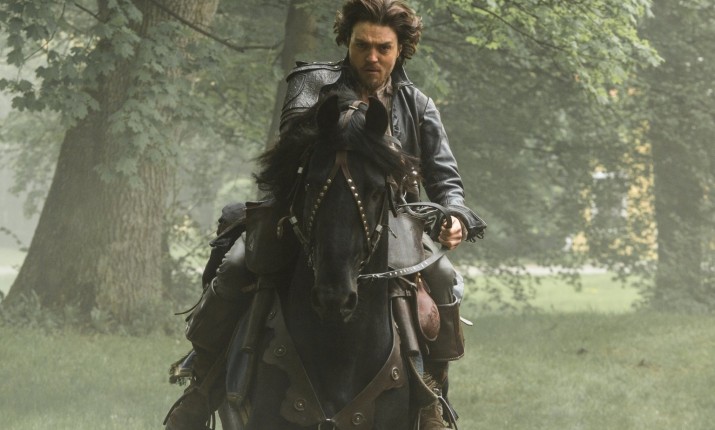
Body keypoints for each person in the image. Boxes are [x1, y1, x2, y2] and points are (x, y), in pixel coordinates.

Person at [164, 1, 485, 429]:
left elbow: (447, 181)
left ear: (401, 50)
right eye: (362, 45)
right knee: (239, 263)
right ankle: (202, 387)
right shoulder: (311, 82)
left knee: (443, 277)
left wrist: (455, 215)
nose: (372, 57)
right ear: (346, 42)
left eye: (383, 48)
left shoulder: (418, 104)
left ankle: (430, 398)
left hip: (392, 223)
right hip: (305, 212)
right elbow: (292, 145)